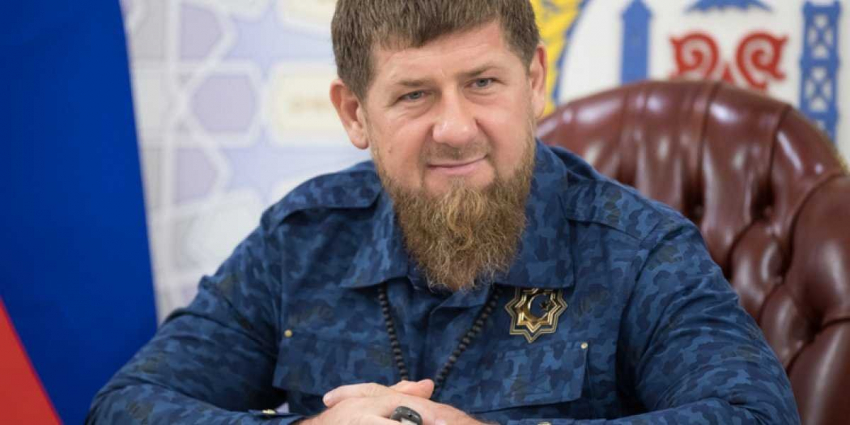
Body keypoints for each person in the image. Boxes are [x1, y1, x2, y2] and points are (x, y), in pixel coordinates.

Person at [87, 1, 801, 424]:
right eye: (414, 94)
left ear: (534, 82)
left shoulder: (640, 250)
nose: (455, 128)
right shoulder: (300, 242)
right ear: (354, 112)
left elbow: (756, 415)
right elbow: (125, 405)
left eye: (483, 82)